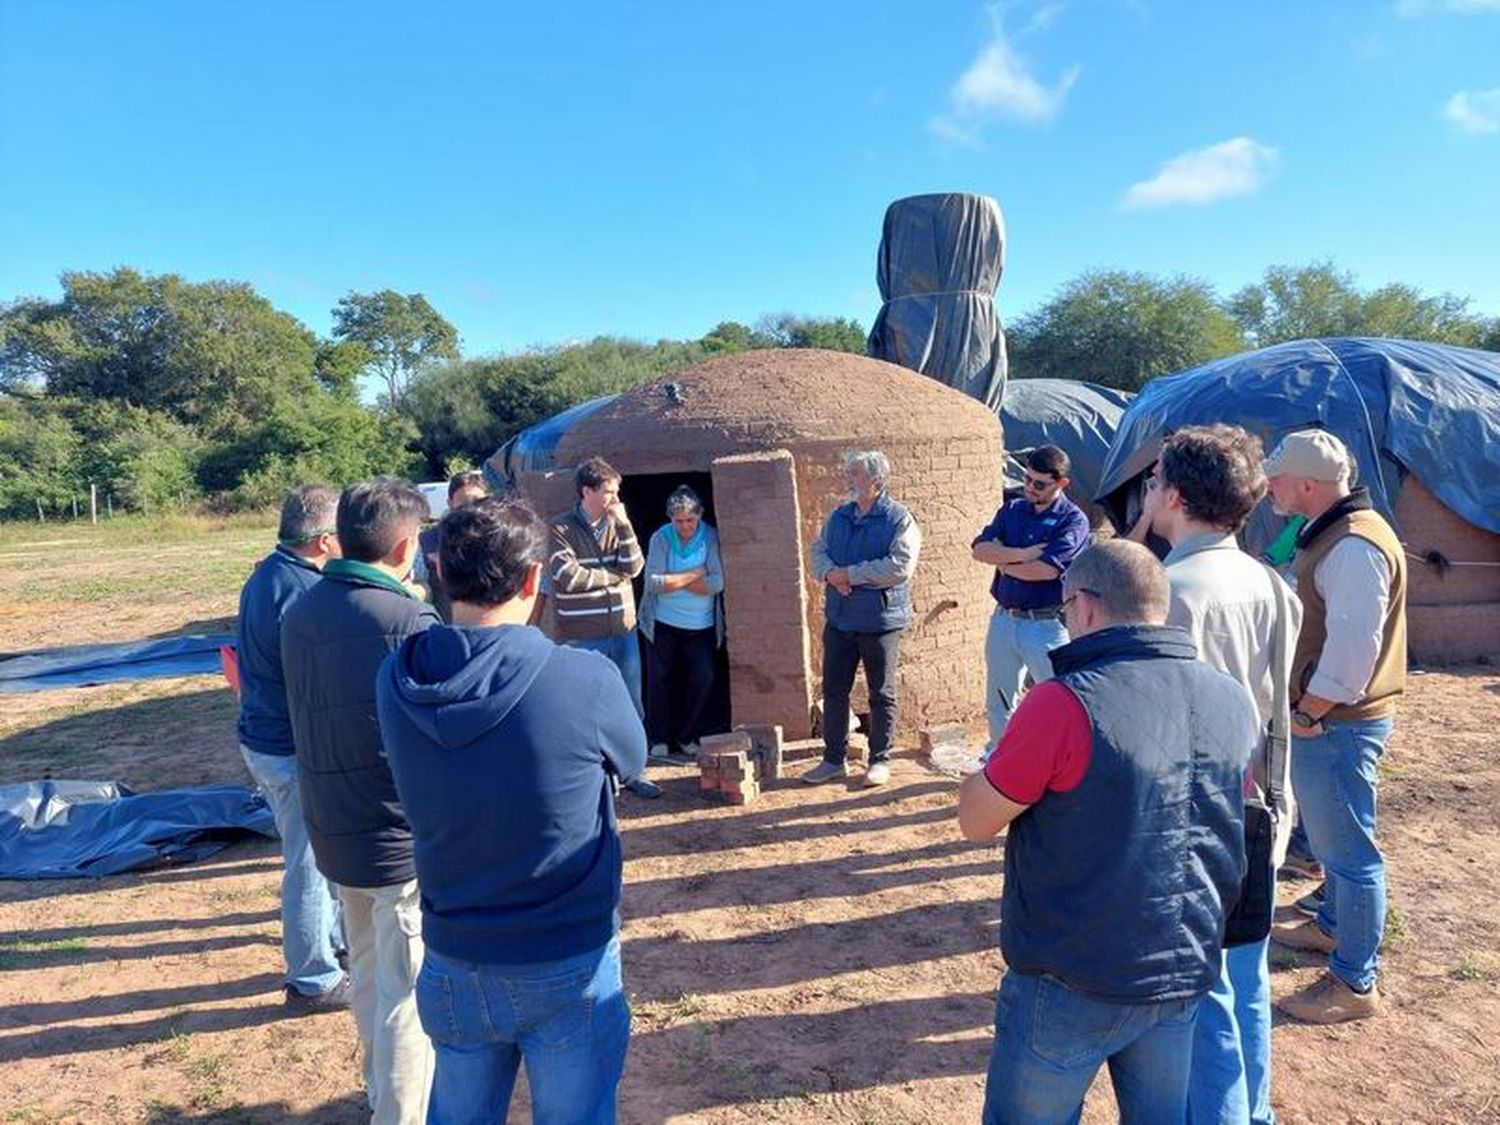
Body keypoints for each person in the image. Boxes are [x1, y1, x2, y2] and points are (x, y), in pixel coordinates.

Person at [958, 539, 1258, 1125]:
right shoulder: (1231, 697)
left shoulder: (1062, 702)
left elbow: (976, 819)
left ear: (1087, 607)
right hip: (1181, 967)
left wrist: (990, 763)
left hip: (1073, 977)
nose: (1066, 622)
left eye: (1066, 609)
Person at [377, 498, 641, 1124]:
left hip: (454, 953)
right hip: (565, 956)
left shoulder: (395, 679)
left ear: (438, 573)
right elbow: (633, 762)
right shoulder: (585, 679)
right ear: (531, 581)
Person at [1136, 425, 1303, 1125]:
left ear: (1174, 494)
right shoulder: (1267, 579)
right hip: (1259, 808)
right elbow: (1276, 709)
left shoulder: (1171, 590)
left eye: (1151, 482)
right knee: (1246, 978)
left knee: (1202, 995)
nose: (1146, 494)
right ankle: (1251, 1110)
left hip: (1196, 818)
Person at [282, 477, 439, 1124]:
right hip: (399, 833)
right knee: (408, 992)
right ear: (404, 547)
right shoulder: (409, 620)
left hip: (334, 821)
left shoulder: (300, 611)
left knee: (370, 970)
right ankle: (400, 1113)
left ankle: (379, 1089)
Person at [1265, 430, 1408, 1025]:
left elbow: (1353, 652)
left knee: (1351, 854)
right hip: (1335, 718)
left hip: (1337, 722)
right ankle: (1331, 927)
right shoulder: (1335, 532)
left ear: (1307, 485)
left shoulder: (1351, 545)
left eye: (1277, 478)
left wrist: (1308, 714)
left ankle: (1354, 982)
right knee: (1333, 841)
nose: (1268, 486)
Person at [235, 484, 348, 1011]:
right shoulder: (301, 593)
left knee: (316, 855)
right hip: (289, 745)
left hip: (266, 736)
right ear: (325, 541)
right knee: (308, 861)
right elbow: (313, 678)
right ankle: (312, 978)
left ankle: (333, 946)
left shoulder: (267, 575)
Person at [804, 451, 922, 788]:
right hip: (840, 620)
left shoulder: (898, 518)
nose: (848, 480)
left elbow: (899, 567)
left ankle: (880, 760)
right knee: (834, 691)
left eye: (855, 474)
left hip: (880, 621)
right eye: (849, 473)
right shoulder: (840, 516)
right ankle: (833, 760)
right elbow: (817, 551)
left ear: (876, 480)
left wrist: (849, 575)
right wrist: (830, 574)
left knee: (880, 693)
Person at [548, 457, 661, 799]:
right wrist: (613, 577)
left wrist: (624, 525)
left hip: (622, 632)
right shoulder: (560, 528)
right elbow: (566, 577)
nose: (615, 498)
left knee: (630, 703)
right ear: (587, 491)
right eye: (609, 492)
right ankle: (594, 778)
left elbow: (635, 567)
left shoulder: (617, 524)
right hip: (582, 635)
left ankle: (634, 772)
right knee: (584, 705)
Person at [971, 446, 1090, 751]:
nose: (1029, 488)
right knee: (1000, 699)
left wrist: (1002, 561)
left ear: (1061, 484)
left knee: (1061, 698)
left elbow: (1046, 571)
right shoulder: (1012, 510)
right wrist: (1021, 555)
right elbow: (979, 550)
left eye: (1039, 484)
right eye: (1027, 480)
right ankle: (1000, 759)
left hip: (1046, 626)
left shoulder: (1073, 521)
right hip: (1004, 619)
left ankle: (1065, 763)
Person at [639, 485, 725, 763]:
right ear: (670, 519)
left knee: (703, 678)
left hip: (700, 624)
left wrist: (674, 580)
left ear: (699, 516)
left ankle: (687, 736)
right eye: (678, 521)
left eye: (690, 520)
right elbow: (652, 583)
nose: (685, 526)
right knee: (659, 680)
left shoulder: (709, 536)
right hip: (662, 622)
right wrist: (696, 573)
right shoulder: (661, 538)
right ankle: (659, 738)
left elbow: (717, 583)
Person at [415, 470, 489, 622]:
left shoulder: (500, 539)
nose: (471, 510)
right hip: (446, 631)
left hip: (492, 632)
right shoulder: (426, 542)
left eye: (477, 503)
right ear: (450, 504)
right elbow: (417, 585)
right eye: (463, 505)